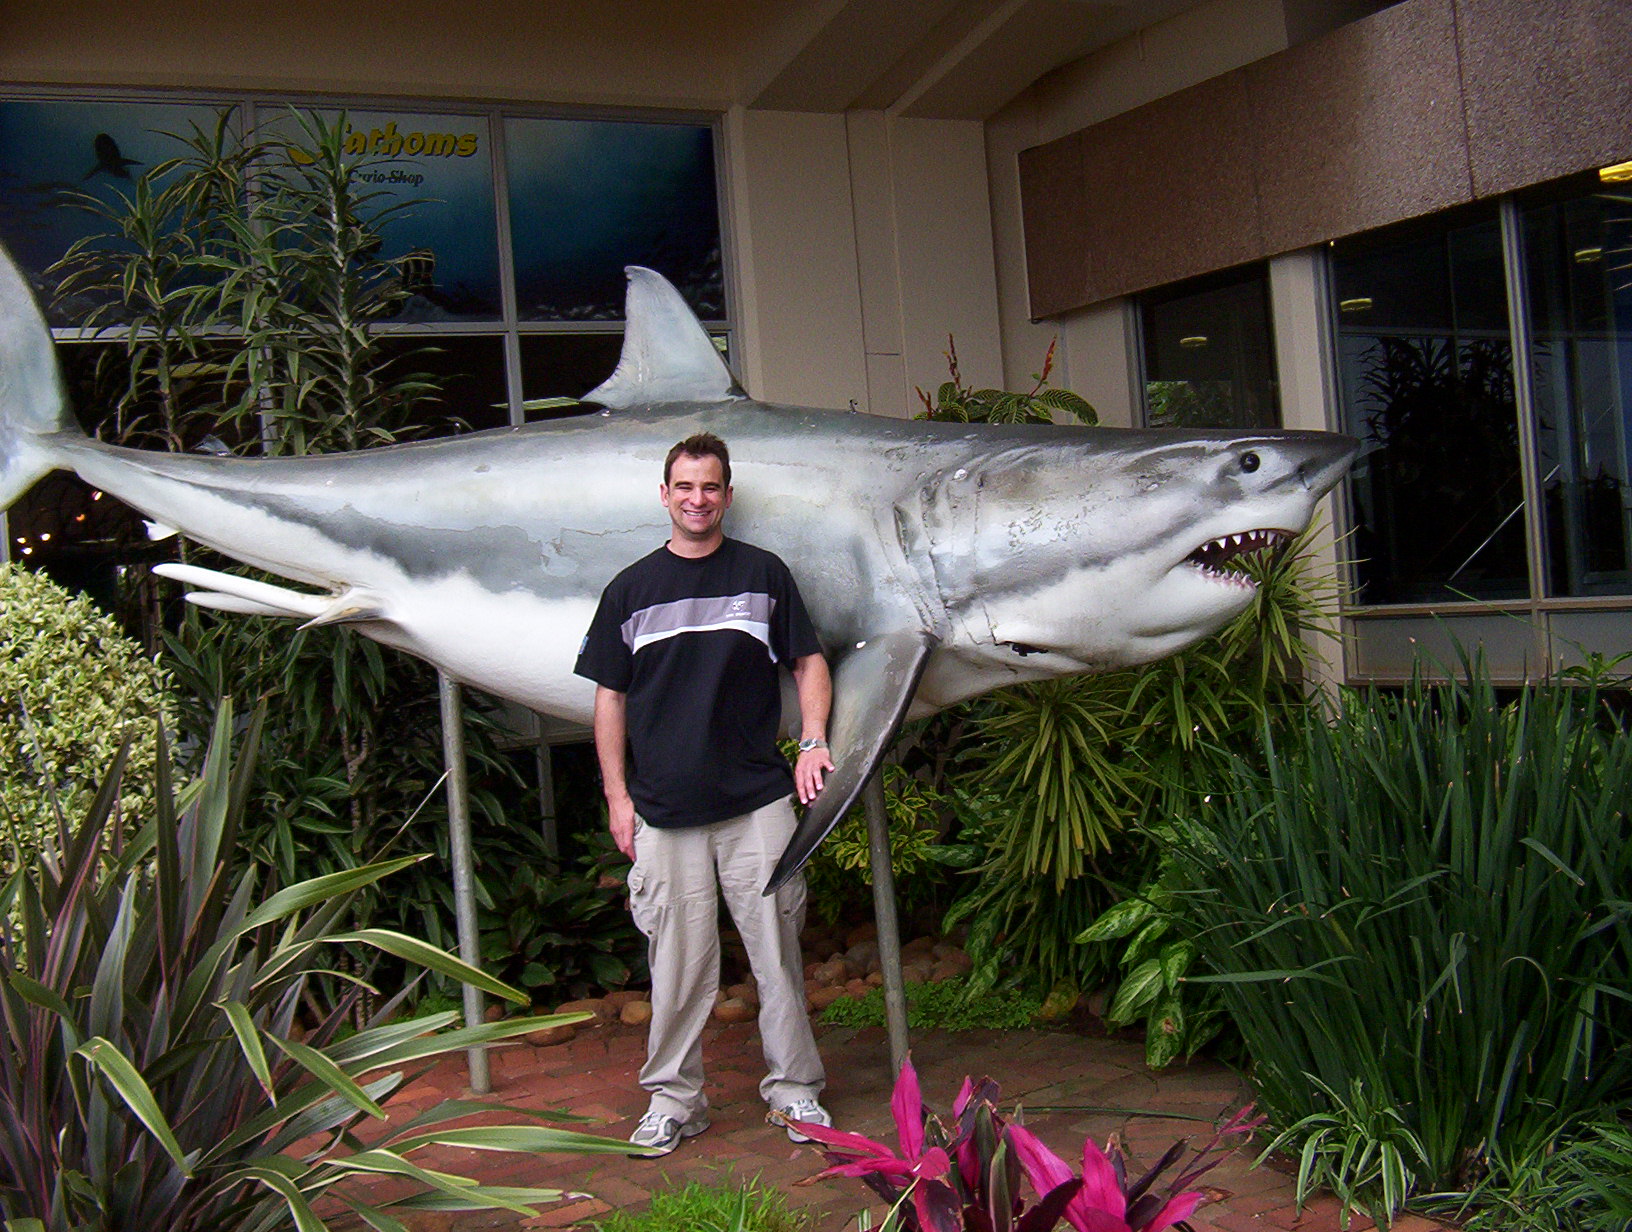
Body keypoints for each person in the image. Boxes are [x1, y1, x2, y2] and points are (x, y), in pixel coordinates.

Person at [573, 432, 837, 1155]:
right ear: (665, 495)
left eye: (711, 486)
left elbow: (809, 661)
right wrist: (617, 797)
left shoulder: (763, 574)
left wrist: (813, 739)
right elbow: (609, 702)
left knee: (778, 957)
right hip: (663, 811)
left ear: (727, 494)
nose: (698, 499)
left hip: (756, 803)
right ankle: (673, 1102)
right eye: (685, 487)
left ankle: (795, 1094)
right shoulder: (630, 590)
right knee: (678, 968)